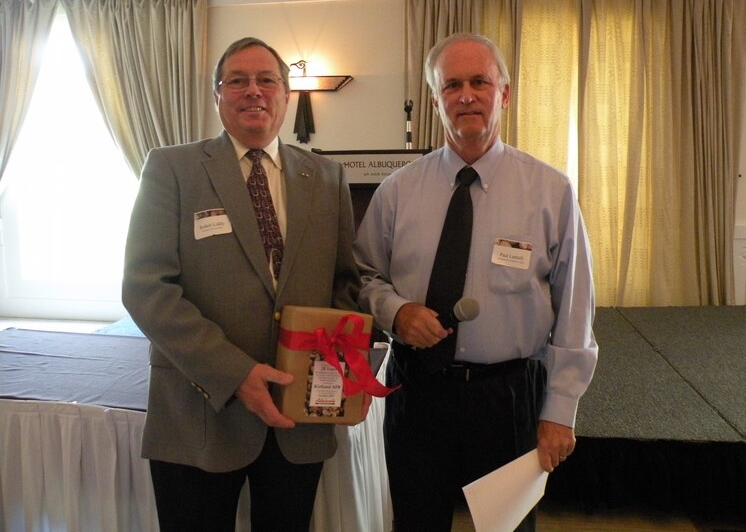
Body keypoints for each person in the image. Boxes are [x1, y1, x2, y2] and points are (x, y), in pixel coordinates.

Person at [353, 32, 598, 532]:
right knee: (416, 522)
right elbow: (363, 276)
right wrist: (396, 311)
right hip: (415, 391)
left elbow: (576, 307)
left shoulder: (550, 190)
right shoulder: (397, 191)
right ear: (436, 98)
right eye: (452, 85)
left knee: (507, 527)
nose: (467, 95)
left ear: (504, 93)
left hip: (506, 396)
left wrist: (561, 409)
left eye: (480, 82)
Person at [122, 37, 360, 532]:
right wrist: (235, 374)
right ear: (217, 96)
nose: (253, 91)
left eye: (266, 80)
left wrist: (335, 370)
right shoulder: (172, 168)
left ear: (286, 95)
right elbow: (147, 288)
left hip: (297, 421)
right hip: (199, 412)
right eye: (237, 80)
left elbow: (345, 285)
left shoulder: (329, 177)